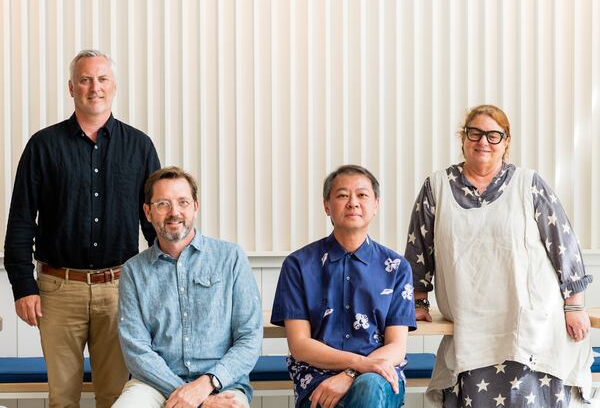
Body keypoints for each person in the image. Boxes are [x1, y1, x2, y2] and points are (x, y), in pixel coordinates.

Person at [405, 104, 593, 407]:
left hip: (529, 325)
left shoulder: (528, 183)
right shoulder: (437, 186)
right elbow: (419, 250)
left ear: (506, 143)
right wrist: (418, 301)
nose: (483, 142)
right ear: (463, 138)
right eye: (475, 133)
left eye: (494, 136)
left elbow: (563, 243)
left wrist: (574, 306)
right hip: (471, 327)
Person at [3, 49, 160, 408]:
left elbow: (154, 222)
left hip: (120, 290)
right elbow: (22, 221)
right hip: (58, 291)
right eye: (86, 80)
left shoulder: (139, 146)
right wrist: (23, 287)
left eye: (102, 79)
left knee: (116, 397)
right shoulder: (43, 146)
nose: (95, 87)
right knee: (62, 399)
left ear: (114, 86)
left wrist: (160, 286)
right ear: (71, 87)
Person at [113, 166, 262, 408]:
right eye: (163, 204)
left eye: (183, 202)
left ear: (195, 207)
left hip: (222, 384)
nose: (174, 212)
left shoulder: (230, 258)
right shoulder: (133, 271)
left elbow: (250, 337)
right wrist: (190, 397)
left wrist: (205, 386)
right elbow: (136, 350)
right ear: (148, 212)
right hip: (153, 385)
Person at [271, 165, 416, 408]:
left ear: (376, 205)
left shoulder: (397, 267)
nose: (353, 203)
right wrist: (356, 366)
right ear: (326, 206)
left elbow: (396, 346)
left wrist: (350, 374)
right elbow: (300, 345)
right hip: (317, 379)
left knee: (369, 388)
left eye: (362, 195)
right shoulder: (298, 265)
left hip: (378, 376)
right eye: (342, 195)